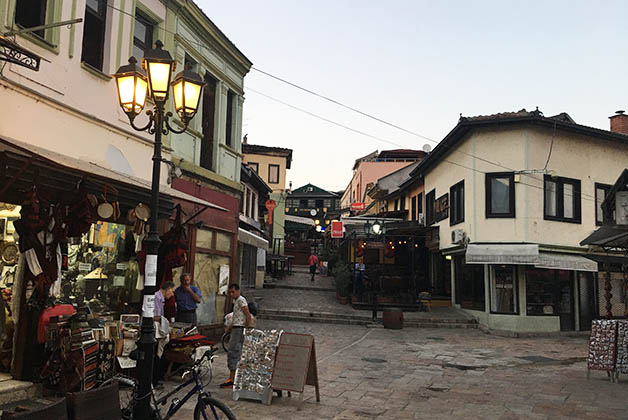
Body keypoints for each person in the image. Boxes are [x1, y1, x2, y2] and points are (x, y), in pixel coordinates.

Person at [220, 283, 251, 388]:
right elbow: (237, 317)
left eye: (233, 292)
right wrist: (229, 327)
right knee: (233, 351)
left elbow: (247, 315)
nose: (232, 294)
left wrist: (246, 329)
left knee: (234, 351)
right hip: (235, 327)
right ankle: (233, 376)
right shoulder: (236, 301)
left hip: (239, 328)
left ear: (238, 291)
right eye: (230, 292)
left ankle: (232, 378)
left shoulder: (241, 300)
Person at [153, 281, 175, 387]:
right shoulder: (157, 298)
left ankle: (157, 379)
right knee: (156, 356)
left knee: (159, 355)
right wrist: (165, 321)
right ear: (167, 289)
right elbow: (155, 316)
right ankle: (155, 380)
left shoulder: (161, 299)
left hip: (158, 330)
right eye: (171, 291)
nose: (172, 294)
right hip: (155, 332)